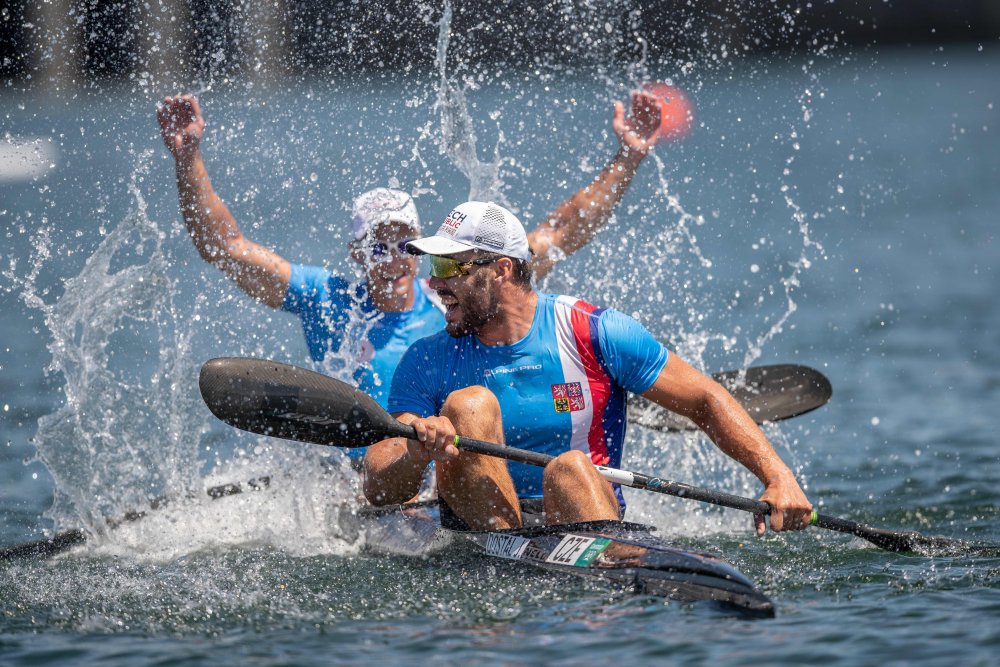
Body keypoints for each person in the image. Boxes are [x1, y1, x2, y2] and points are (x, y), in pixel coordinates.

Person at [157, 91, 663, 451]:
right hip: (364, 480)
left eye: (405, 243)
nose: (394, 257)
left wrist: (628, 157)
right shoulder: (325, 299)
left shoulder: (461, 295)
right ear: (355, 253)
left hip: (439, 465)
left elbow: (561, 230)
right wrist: (188, 159)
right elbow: (226, 247)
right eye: (377, 244)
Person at [364, 201, 814, 534]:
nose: (434, 282)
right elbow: (378, 485)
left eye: (448, 265)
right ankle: (503, 546)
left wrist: (779, 477)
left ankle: (609, 579)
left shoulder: (594, 332)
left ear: (500, 270)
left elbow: (705, 399)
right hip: (478, 529)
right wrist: (418, 448)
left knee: (572, 468)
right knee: (470, 404)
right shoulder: (426, 359)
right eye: (434, 265)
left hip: (581, 514)